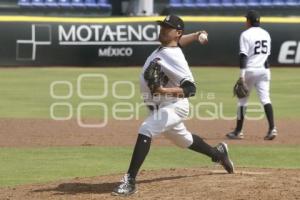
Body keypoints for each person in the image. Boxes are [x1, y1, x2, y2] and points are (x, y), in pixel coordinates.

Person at [112, 15, 234, 196]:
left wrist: (162, 91)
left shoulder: (174, 56)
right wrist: (196, 35)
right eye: (162, 26)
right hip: (160, 106)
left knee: (146, 128)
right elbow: (179, 42)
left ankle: (130, 181)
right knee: (184, 140)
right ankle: (218, 154)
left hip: (174, 105)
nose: (162, 29)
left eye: (167, 28)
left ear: (176, 32)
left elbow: (191, 88)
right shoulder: (168, 47)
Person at [226, 10, 277, 140]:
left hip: (250, 70)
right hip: (264, 70)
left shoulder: (245, 34)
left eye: (246, 20)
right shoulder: (266, 34)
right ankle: (272, 129)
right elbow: (267, 56)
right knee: (266, 99)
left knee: (242, 101)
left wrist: (241, 76)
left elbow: (243, 56)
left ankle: (238, 131)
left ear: (249, 21)